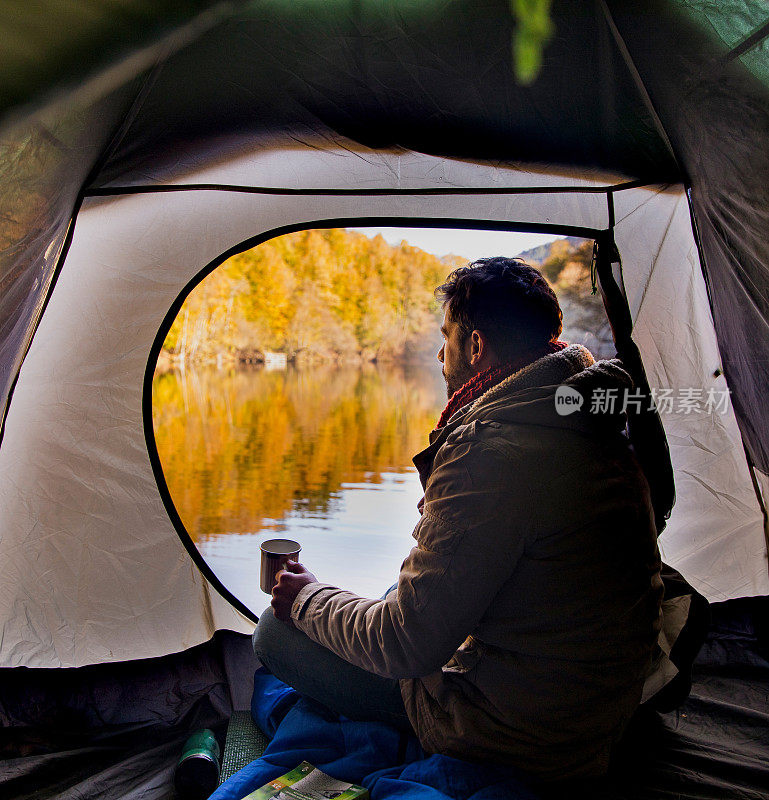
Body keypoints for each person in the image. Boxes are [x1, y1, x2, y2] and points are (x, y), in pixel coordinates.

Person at [253, 256, 663, 782]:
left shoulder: (492, 450)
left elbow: (404, 641)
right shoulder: (585, 412)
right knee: (385, 598)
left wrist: (307, 601)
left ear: (475, 345)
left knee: (274, 632)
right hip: (598, 699)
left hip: (520, 729)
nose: (438, 354)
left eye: (445, 336)